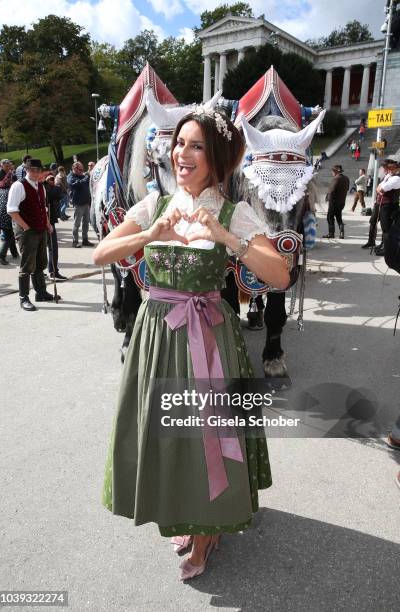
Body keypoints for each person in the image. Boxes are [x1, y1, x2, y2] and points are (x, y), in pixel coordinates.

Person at [93, 109, 290, 580]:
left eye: (196, 145)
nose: (183, 153)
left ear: (216, 158)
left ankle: (207, 532)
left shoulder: (232, 211)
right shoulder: (155, 206)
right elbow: (102, 252)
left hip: (210, 337)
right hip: (157, 337)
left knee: (206, 435)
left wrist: (225, 237)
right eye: (180, 143)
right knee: (170, 435)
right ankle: (185, 512)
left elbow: (280, 274)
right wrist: (149, 234)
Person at [7, 158, 58, 311]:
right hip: (27, 232)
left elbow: (43, 208)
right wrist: (26, 227)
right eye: (32, 170)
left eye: (38, 170)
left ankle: (41, 292)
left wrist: (48, 224)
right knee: (27, 266)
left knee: (41, 263)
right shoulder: (19, 186)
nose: (36, 173)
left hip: (41, 229)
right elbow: (12, 210)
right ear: (27, 170)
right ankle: (23, 298)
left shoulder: (41, 186)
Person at [362, 159, 400, 251]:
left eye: (391, 169)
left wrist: (380, 189)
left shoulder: (396, 178)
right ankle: (372, 241)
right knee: (373, 221)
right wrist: (379, 189)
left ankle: (385, 246)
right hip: (379, 203)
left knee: (386, 227)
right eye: (388, 168)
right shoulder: (388, 176)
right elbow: (378, 187)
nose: (388, 170)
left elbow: (382, 189)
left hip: (388, 204)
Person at [0, 160, 18, 264]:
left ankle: (15, 253)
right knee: (9, 235)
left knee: (9, 233)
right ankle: (1, 255)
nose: (8, 168)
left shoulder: (0, 189)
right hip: (5, 216)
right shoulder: (8, 191)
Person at [44, 174, 67, 281]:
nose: (52, 180)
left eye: (53, 178)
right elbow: (54, 194)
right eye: (50, 179)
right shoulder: (44, 188)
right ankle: (39, 272)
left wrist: (55, 185)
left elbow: (60, 194)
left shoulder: (52, 188)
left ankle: (53, 271)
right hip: (41, 222)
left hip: (50, 221)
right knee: (41, 249)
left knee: (53, 248)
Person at [67, 161, 94, 247]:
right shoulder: (70, 177)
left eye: (83, 169)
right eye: (80, 169)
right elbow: (76, 184)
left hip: (86, 203)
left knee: (86, 223)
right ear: (74, 169)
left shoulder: (82, 176)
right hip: (78, 204)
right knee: (77, 224)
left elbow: (87, 183)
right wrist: (86, 177)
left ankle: (85, 240)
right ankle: (75, 242)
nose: (82, 171)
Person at [323, 165, 350, 239]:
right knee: (339, 217)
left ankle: (331, 233)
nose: (332, 173)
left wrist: (328, 198)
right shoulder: (346, 178)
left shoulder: (336, 178)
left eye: (332, 171)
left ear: (335, 171)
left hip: (334, 202)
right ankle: (341, 233)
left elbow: (331, 191)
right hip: (342, 202)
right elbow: (347, 189)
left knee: (330, 217)